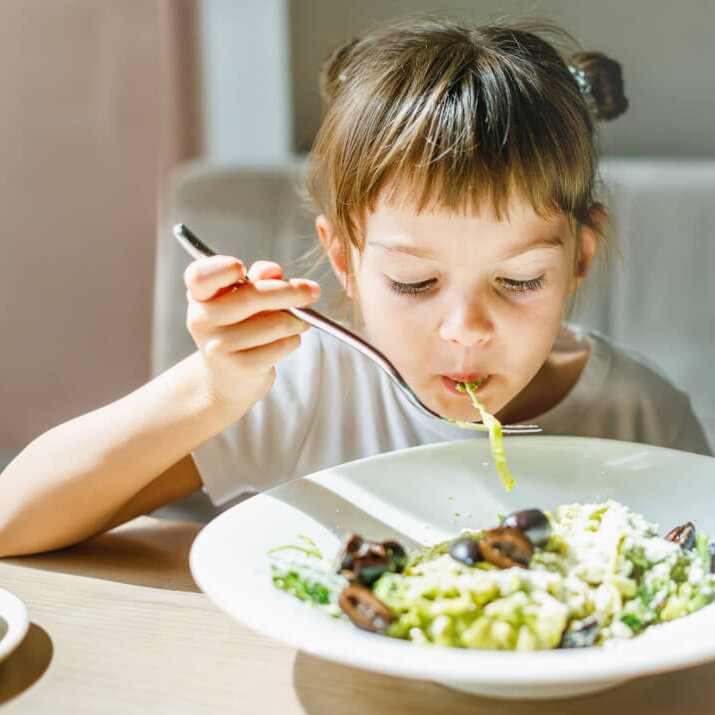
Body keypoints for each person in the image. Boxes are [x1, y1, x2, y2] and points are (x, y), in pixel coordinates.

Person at [0, 17, 710, 558]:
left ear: (580, 257)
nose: (465, 327)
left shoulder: (642, 419)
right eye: (414, 281)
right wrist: (212, 392)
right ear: (343, 261)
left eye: (519, 280)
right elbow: (14, 518)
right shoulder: (306, 388)